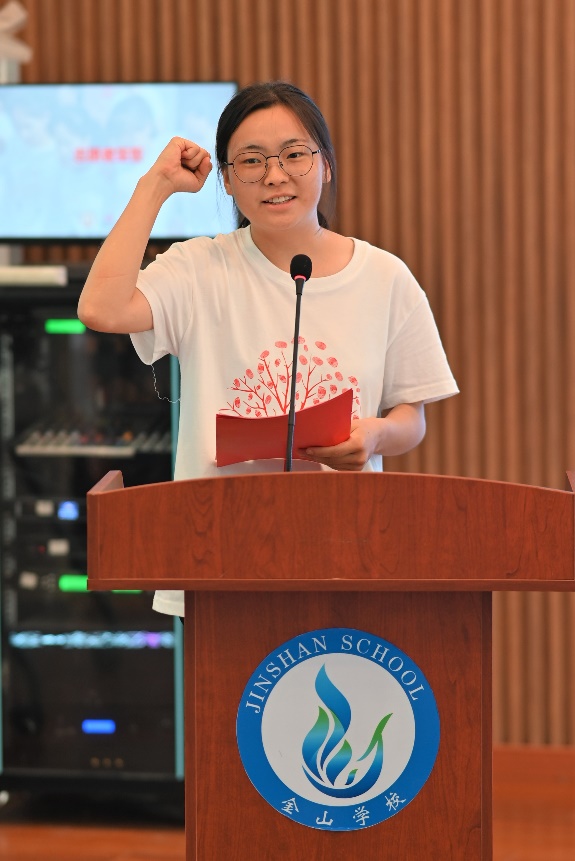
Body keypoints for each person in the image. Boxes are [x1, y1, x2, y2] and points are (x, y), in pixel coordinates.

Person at [77, 80, 458, 618]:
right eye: (251, 161)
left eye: (294, 155)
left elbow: (411, 419)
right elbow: (102, 309)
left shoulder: (385, 277)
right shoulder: (199, 267)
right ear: (227, 180)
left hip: (345, 551)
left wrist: (374, 436)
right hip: (217, 555)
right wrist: (154, 185)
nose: (275, 176)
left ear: (326, 164)